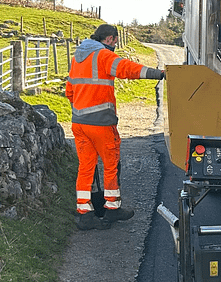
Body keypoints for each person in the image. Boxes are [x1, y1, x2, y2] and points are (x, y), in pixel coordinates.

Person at [65, 24, 165, 231]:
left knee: (85, 167)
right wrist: (158, 74)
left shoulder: (77, 59)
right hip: (101, 123)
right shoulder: (103, 56)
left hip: (79, 123)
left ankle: (84, 214)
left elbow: (69, 92)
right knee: (110, 165)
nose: (115, 45)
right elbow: (127, 69)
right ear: (110, 39)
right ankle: (112, 208)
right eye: (115, 41)